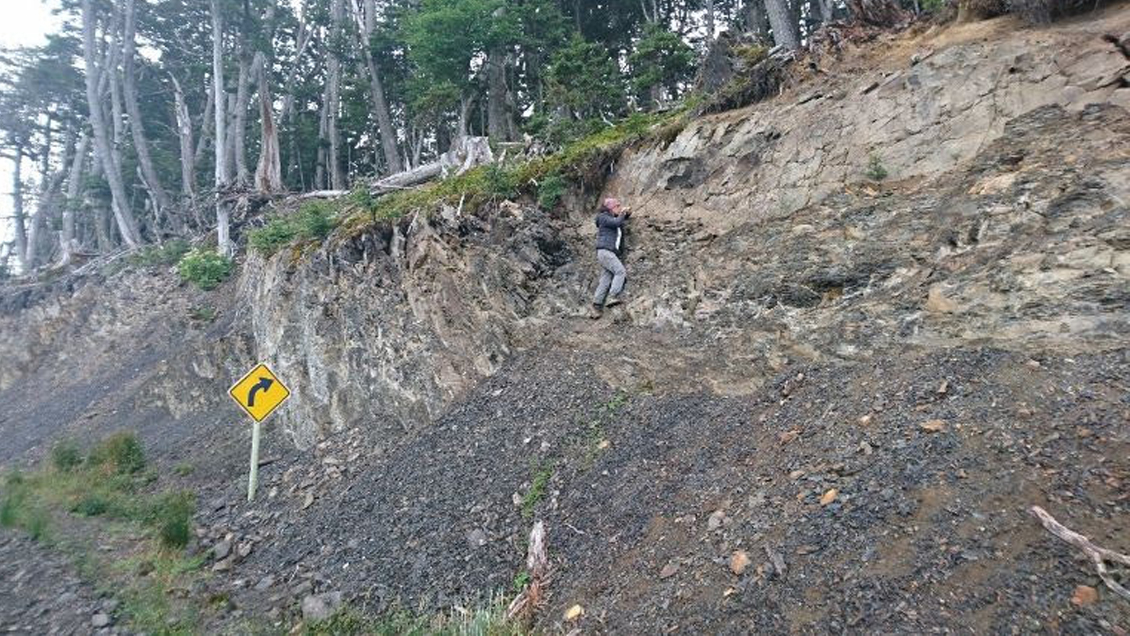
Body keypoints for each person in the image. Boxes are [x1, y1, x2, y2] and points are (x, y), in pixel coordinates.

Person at [589, 197, 631, 319]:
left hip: (606, 252)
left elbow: (619, 222)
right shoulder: (603, 217)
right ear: (610, 207)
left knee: (606, 279)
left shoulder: (611, 217)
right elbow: (616, 223)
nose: (619, 207)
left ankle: (596, 305)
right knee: (620, 271)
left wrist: (626, 214)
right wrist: (623, 213)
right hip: (606, 251)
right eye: (617, 206)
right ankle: (613, 295)